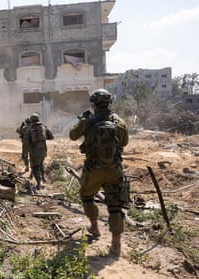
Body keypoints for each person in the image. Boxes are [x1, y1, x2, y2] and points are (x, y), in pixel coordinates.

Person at [69, 88, 129, 257]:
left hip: (93, 169)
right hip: (114, 170)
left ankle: (94, 227)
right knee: (115, 206)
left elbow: (72, 136)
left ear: (93, 104)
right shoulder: (119, 121)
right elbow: (124, 142)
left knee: (87, 197)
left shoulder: (89, 120)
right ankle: (116, 243)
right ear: (109, 103)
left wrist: (83, 121)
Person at [23, 112, 54, 191]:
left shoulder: (30, 129)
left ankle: (39, 184)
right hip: (43, 150)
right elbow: (51, 136)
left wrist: (24, 153)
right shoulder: (44, 127)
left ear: (31, 120)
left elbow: (26, 142)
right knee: (41, 164)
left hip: (34, 151)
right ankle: (43, 178)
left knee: (35, 167)